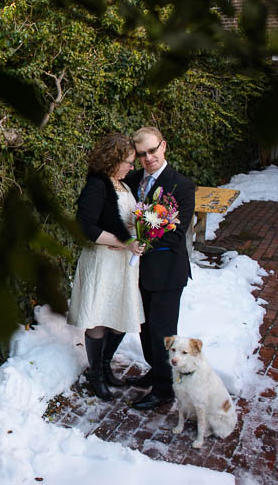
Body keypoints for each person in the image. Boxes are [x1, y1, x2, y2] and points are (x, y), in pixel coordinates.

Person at [123, 126, 196, 410]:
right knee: (143, 327)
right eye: (142, 154)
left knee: (161, 331)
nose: (148, 158)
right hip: (136, 270)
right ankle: (157, 370)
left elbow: (177, 233)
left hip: (166, 271)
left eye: (152, 150)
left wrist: (142, 234)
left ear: (163, 146)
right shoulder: (131, 180)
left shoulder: (181, 185)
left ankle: (165, 389)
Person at [69, 133, 145, 401]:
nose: (131, 167)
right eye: (128, 161)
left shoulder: (124, 185)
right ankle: (96, 375)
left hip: (124, 264)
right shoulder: (97, 185)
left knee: (122, 315)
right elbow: (85, 226)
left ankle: (104, 365)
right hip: (102, 261)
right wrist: (124, 242)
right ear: (112, 160)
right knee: (100, 317)